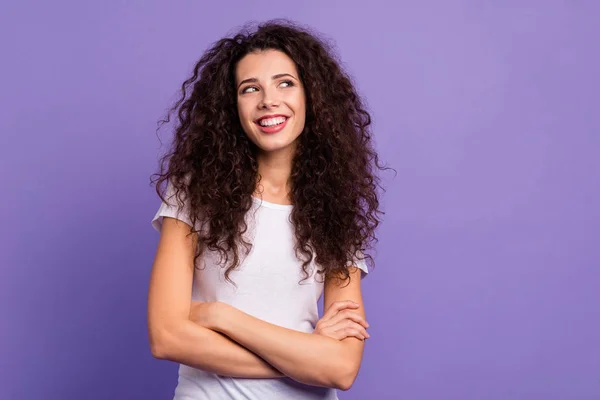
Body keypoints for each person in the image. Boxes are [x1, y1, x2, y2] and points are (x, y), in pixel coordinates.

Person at [148, 19, 385, 400]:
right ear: (232, 106)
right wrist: (306, 360)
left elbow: (341, 369)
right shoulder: (196, 193)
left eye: (285, 83)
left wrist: (220, 316)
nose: (268, 100)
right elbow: (167, 336)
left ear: (312, 96)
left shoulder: (335, 208)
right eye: (249, 89)